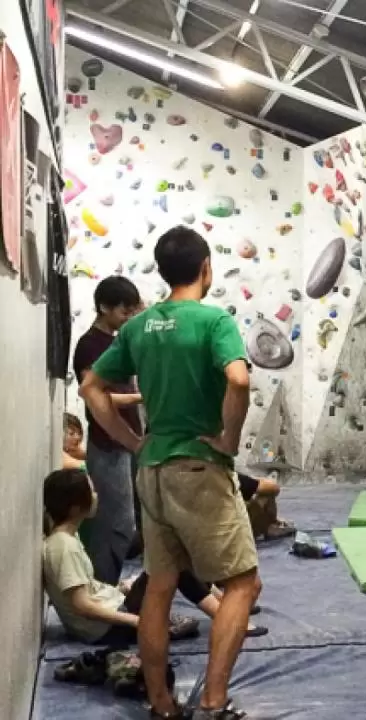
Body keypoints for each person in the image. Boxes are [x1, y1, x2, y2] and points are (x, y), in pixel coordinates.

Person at [80, 225, 260, 720]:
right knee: (243, 585)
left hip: (152, 470)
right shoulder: (213, 320)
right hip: (198, 470)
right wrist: (228, 438)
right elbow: (239, 379)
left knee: (159, 585)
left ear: (162, 272)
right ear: (206, 268)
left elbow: (91, 388)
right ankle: (213, 701)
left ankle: (161, 704)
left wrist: (131, 441)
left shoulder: (138, 327)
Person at [42, 469, 267, 647]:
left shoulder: (67, 539)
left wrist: (122, 588)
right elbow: (82, 605)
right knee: (173, 564)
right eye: (91, 492)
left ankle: (225, 606)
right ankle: (227, 618)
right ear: (75, 508)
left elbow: (87, 590)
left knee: (170, 559)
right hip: (107, 630)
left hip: (115, 607)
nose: (96, 496)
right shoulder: (64, 547)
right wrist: (137, 622)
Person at [72, 276, 144, 586]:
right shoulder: (89, 345)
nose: (128, 318)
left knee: (138, 519)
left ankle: (109, 585)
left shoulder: (120, 340)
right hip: (107, 443)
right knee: (116, 523)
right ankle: (103, 586)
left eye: (132, 312)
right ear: (103, 308)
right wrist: (142, 396)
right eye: (123, 312)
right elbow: (94, 394)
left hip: (129, 439)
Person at [236, 471, 294, 540]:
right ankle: (269, 526)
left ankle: (270, 522)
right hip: (237, 531)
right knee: (268, 491)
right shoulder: (231, 477)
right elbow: (274, 488)